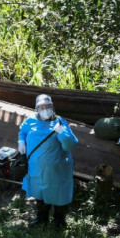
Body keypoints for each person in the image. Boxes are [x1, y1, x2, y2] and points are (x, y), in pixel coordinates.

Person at [18, 94, 79, 229]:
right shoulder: (30, 121)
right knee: (40, 193)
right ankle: (42, 218)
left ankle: (59, 221)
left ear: (52, 106)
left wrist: (62, 132)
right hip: (37, 169)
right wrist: (21, 141)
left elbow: (71, 145)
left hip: (58, 170)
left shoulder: (60, 122)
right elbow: (22, 131)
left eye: (48, 106)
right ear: (36, 108)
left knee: (59, 194)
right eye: (41, 107)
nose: (45, 109)